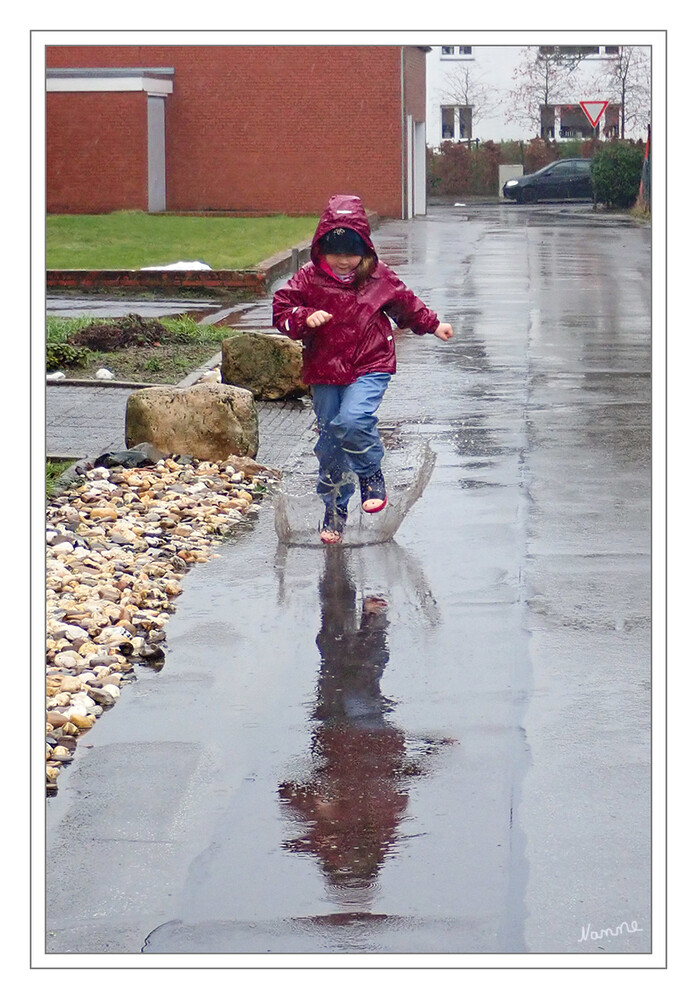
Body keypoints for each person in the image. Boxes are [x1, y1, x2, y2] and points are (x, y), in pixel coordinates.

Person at [273, 193, 453, 544]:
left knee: (353, 420)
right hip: (324, 368)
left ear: (366, 251)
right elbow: (282, 309)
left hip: (370, 363)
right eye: (335, 253)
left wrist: (432, 325)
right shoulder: (309, 279)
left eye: (351, 253)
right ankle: (335, 509)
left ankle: (371, 474)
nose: (343, 261)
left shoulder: (378, 277)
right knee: (329, 443)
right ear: (320, 249)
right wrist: (303, 316)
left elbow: (407, 305)